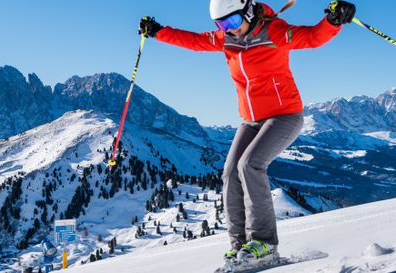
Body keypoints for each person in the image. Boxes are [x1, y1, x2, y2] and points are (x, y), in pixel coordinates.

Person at [139, 0, 356, 265]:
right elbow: (194, 41)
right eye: (220, 25)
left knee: (250, 165)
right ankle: (240, 246)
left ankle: (264, 244)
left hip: (284, 115)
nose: (227, 30)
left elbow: (311, 37)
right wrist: (158, 31)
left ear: (248, 11)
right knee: (230, 172)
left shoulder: (275, 31)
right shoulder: (226, 39)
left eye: (230, 22)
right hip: (251, 120)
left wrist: (332, 21)